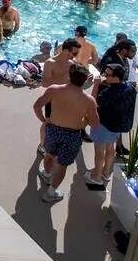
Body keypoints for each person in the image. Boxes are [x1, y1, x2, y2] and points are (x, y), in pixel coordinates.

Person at [33, 64, 99, 203]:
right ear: (86, 79)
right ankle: (51, 192)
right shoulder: (88, 101)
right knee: (62, 165)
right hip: (72, 135)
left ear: (69, 76)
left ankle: (47, 174)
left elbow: (37, 106)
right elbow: (95, 124)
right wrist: (84, 120)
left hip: (53, 129)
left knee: (49, 155)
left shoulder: (54, 90)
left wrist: (44, 121)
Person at [84, 63, 136, 188]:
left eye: (107, 75)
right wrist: (107, 82)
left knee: (99, 151)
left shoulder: (108, 93)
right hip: (119, 124)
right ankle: (106, 173)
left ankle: (96, 177)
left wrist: (96, 85)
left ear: (116, 77)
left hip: (104, 125)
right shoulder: (129, 88)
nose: (104, 76)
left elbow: (93, 103)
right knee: (110, 147)